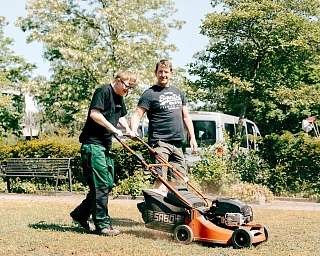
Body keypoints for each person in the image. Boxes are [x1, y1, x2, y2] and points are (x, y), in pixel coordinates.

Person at [70, 71, 137, 236]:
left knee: (105, 184)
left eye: (131, 89)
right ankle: (103, 225)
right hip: (93, 146)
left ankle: (80, 214)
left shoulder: (119, 97)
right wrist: (114, 129)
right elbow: (95, 114)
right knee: (100, 186)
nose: (127, 91)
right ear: (118, 81)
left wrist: (128, 130)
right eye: (127, 86)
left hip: (105, 147)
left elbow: (120, 116)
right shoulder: (103, 91)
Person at [131, 59, 197, 187]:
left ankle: (174, 206)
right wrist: (133, 130)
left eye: (166, 72)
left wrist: (192, 137)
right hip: (160, 142)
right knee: (161, 179)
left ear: (171, 73)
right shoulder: (149, 94)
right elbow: (137, 114)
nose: (163, 75)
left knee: (179, 180)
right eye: (160, 72)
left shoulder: (178, 93)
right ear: (156, 73)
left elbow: (186, 117)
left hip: (177, 143)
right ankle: (155, 206)